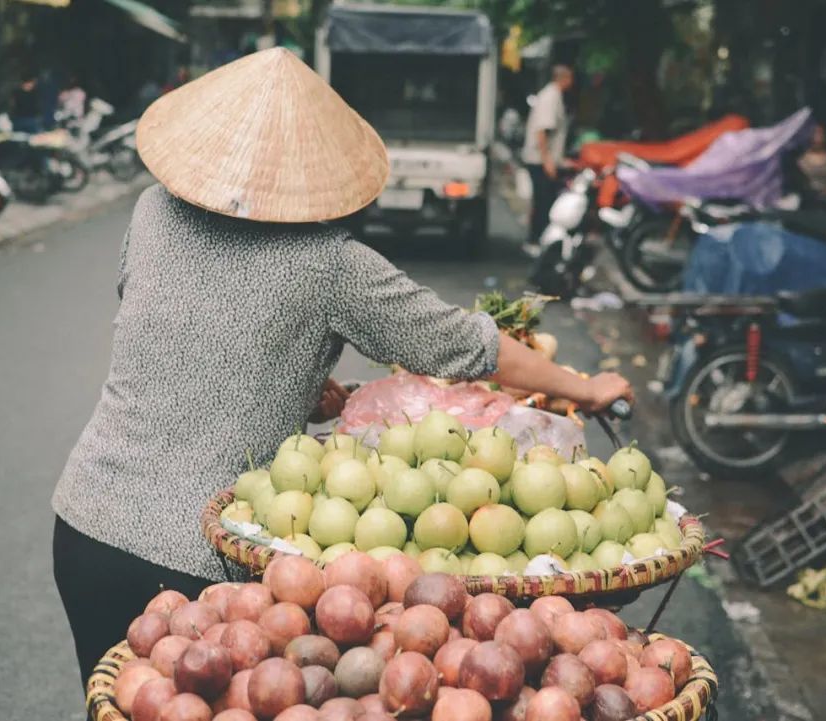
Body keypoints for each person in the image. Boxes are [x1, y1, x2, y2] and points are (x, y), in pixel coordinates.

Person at [50, 48, 633, 689]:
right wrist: (587, 388)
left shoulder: (151, 211)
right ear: (314, 171)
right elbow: (464, 345)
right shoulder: (329, 262)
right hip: (199, 559)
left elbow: (165, 335)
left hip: (85, 525)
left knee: (112, 702)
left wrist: (287, 385)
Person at [521, 65, 574, 256]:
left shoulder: (553, 95)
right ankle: (535, 240)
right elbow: (541, 131)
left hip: (544, 159)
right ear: (564, 78)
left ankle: (540, 239)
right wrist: (548, 161)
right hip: (538, 160)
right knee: (544, 201)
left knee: (545, 199)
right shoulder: (551, 96)